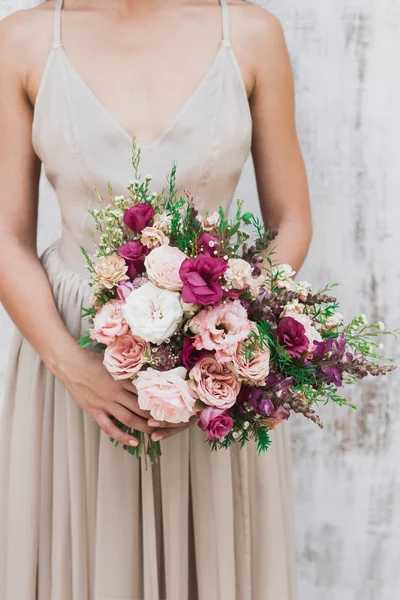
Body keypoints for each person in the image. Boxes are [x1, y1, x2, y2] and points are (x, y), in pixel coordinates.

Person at [0, 0, 311, 598]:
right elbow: (7, 236)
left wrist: (228, 347)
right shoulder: (24, 40)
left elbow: (292, 219)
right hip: (70, 346)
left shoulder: (249, 34)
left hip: (215, 344)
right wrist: (73, 367)